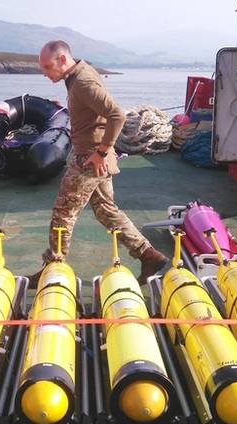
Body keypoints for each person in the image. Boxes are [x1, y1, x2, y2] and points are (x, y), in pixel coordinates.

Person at [28, 40, 168, 286]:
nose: (44, 72)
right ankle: (149, 255)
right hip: (95, 156)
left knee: (63, 213)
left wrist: (101, 152)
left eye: (47, 67)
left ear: (62, 60)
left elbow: (117, 114)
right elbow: (95, 111)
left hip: (89, 158)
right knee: (107, 211)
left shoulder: (82, 82)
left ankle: (54, 267)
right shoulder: (80, 74)